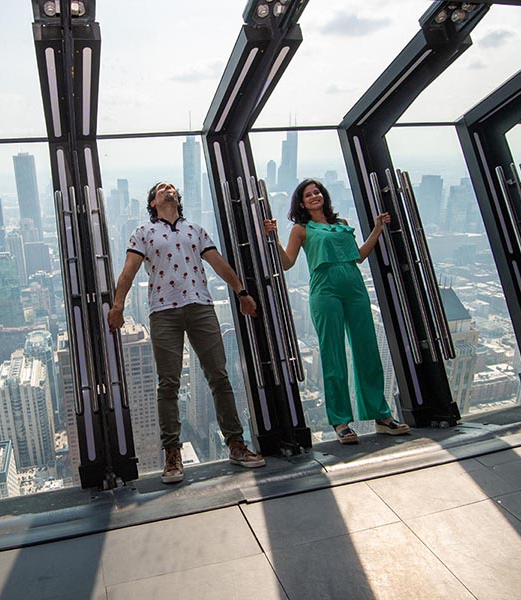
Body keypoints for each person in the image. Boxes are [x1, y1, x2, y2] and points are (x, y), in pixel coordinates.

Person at [109, 182, 266, 483]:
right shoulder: (143, 232)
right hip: (163, 312)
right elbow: (128, 272)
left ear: (177, 199)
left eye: (171, 187)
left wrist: (241, 291)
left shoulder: (195, 230)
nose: (167, 189)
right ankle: (172, 455)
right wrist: (118, 306)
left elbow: (219, 263)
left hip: (200, 306)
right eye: (160, 189)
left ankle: (236, 444)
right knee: (168, 384)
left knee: (219, 376)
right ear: (152, 203)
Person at [263, 178, 410, 444]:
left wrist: (377, 230)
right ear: (301, 203)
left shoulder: (341, 225)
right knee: (333, 355)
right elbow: (287, 263)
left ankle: (382, 416)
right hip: (325, 291)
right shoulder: (301, 229)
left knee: (367, 350)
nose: (314, 196)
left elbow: (359, 255)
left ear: (324, 195)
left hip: (355, 288)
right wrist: (272, 238)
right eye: (308, 194)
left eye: (317, 191)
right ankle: (341, 421)